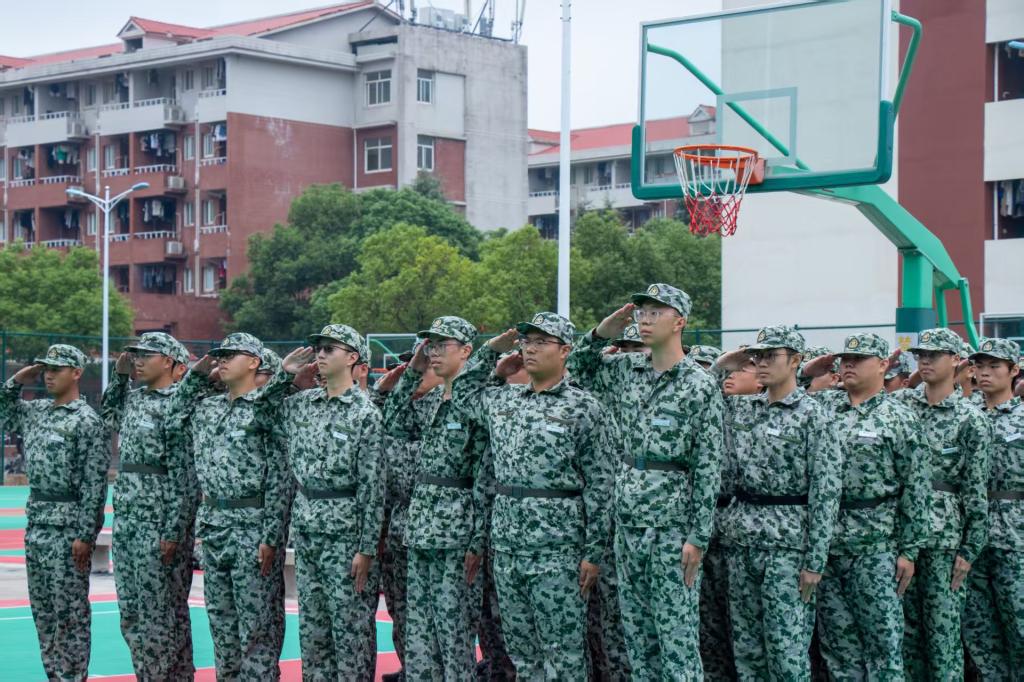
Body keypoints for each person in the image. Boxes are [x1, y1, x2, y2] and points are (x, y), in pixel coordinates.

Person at [569, 284, 723, 680]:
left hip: (672, 528)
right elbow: (579, 368)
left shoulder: (699, 383)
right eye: (642, 312)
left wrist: (698, 535)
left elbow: (708, 465)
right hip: (629, 523)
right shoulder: (626, 370)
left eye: (656, 312)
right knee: (638, 638)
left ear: (679, 322)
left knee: (676, 640)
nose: (645, 319)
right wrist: (600, 333)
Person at [456, 313, 615, 680]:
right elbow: (463, 392)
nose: (530, 349)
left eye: (541, 342)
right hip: (508, 548)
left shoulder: (584, 407)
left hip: (558, 550)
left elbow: (601, 485)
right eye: (526, 341)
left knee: (564, 654)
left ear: (565, 351)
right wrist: (492, 352)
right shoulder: (504, 401)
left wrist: (593, 553)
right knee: (522, 653)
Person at [801, 333, 931, 678]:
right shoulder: (824, 406)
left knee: (883, 646)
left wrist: (909, 550)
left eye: (858, 360)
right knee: (838, 649)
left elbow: (916, 488)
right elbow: (785, 393)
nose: (849, 366)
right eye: (845, 360)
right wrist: (809, 370)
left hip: (876, 547)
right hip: (828, 546)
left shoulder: (899, 417)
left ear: (883, 365)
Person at [717, 326, 843, 680]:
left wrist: (815, 560)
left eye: (771, 356)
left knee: (787, 650)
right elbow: (702, 395)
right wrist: (725, 363)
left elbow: (826, 492)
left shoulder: (814, 415)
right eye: (757, 356)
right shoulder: (743, 409)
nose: (761, 362)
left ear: (795, 361)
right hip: (742, 541)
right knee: (748, 649)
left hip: (788, 546)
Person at [168, 332, 295, 680]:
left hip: (252, 529)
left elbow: (280, 477)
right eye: (219, 356)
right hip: (214, 527)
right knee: (221, 624)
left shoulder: (267, 409)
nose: (221, 361)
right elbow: (173, 418)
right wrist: (197, 374)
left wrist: (272, 536)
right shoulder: (208, 408)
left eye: (230, 355)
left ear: (254, 362)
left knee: (257, 628)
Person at [381, 316, 492, 681]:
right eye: (430, 346)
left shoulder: (479, 403)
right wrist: (414, 368)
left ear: (466, 351)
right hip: (421, 531)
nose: (434, 353)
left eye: (443, 345)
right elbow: (392, 417)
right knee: (419, 635)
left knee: (454, 635)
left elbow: (485, 477)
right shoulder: (427, 404)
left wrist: (477, 539)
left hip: (457, 534)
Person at [279, 325, 384, 681]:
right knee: (313, 630)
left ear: (352, 357)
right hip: (308, 530)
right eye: (318, 349)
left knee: (351, 630)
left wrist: (366, 548)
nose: (320, 355)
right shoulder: (303, 404)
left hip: (345, 535)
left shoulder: (365, 413)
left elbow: (373, 487)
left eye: (329, 349)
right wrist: (285, 374)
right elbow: (262, 410)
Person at [0, 344, 110, 682]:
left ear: (76, 373)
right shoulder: (37, 412)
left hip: (68, 530)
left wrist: (85, 535)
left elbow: (94, 484)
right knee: (44, 613)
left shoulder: (87, 421)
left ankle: (72, 677)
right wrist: (21, 377)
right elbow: (3, 408)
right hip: (37, 526)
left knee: (70, 615)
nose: (48, 375)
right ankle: (54, 676)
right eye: (46, 369)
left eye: (56, 369)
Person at [891, 327, 991, 680]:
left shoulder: (970, 418)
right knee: (905, 637)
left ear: (956, 361)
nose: (925, 361)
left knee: (943, 637)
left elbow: (975, 490)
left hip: (944, 542)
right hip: (898, 536)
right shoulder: (900, 406)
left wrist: (969, 549)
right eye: (921, 355)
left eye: (934, 355)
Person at [102, 333, 197, 680]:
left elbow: (186, 476)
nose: (138, 361)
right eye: (136, 355)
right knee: (131, 614)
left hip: (159, 525)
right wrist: (120, 374)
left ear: (170, 362)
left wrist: (174, 530)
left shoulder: (180, 404)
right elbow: (109, 412)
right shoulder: (135, 399)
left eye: (147, 355)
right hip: (128, 522)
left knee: (160, 615)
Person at [962, 337, 1024, 678]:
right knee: (979, 630)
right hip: (970, 537)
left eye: (994, 366)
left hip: (1015, 536)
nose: (984, 372)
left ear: (1013, 371)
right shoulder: (963, 416)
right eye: (979, 366)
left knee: (1018, 622)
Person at [700, 351, 761, 680]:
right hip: (711, 523)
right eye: (728, 372)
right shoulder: (716, 407)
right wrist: (723, 364)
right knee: (710, 624)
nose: (730, 376)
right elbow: (703, 383)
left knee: (745, 625)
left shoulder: (767, 412)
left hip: (746, 527)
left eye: (741, 370)